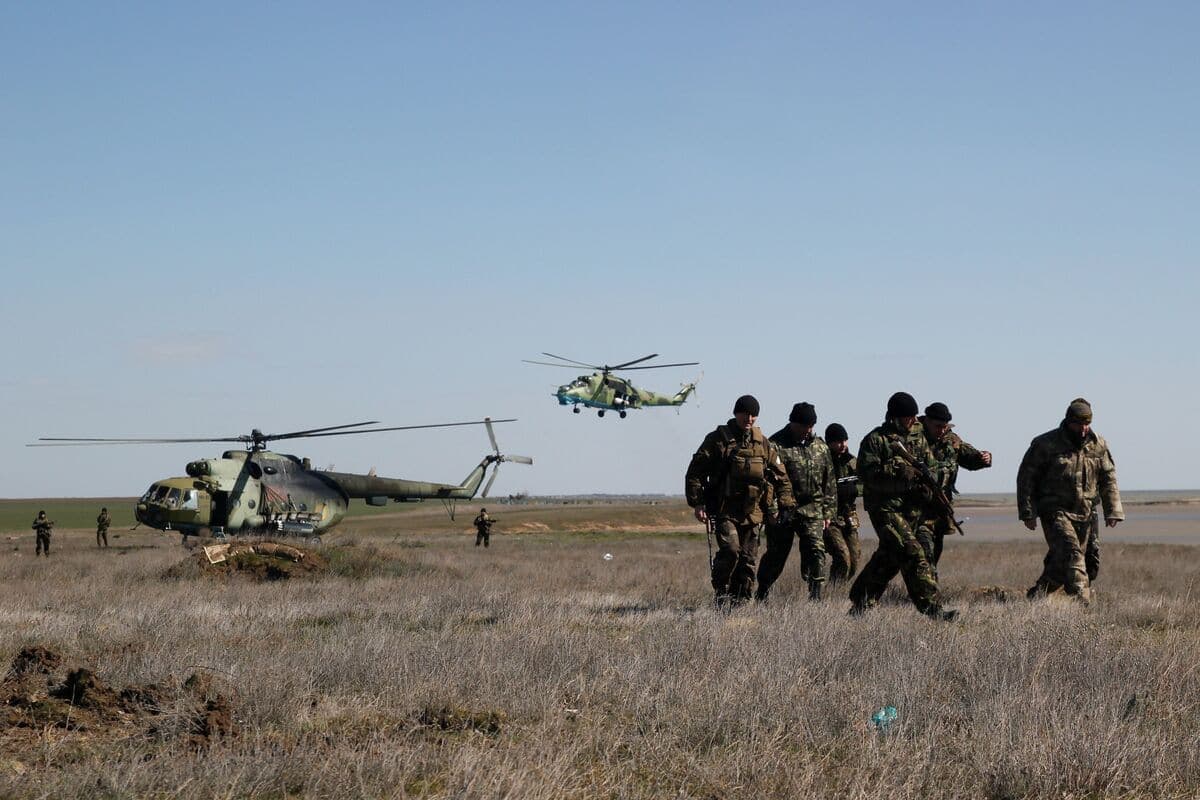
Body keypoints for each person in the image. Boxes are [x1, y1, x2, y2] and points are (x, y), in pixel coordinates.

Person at [849, 392, 956, 620]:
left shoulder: (918, 436)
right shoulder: (875, 440)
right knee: (911, 551)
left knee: (889, 558)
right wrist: (898, 472)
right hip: (885, 509)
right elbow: (866, 475)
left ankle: (861, 600)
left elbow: (929, 465)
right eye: (908, 416)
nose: (913, 420)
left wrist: (929, 485)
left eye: (914, 416)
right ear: (895, 417)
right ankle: (933, 609)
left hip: (912, 509)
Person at [685, 395, 796, 608]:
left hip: (753, 511)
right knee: (731, 550)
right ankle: (721, 592)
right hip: (725, 509)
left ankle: (740, 603)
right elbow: (695, 472)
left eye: (753, 415)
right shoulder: (718, 440)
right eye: (745, 414)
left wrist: (785, 504)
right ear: (736, 413)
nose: (749, 419)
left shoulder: (763, 443)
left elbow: (781, 477)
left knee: (748, 559)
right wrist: (698, 503)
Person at [1018, 398, 1123, 604]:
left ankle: (1036, 597)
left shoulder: (1098, 444)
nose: (1083, 429)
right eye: (1078, 424)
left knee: (1085, 564)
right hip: (1055, 512)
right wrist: (1027, 512)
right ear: (1068, 421)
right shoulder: (1045, 444)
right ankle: (1083, 608)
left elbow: (1108, 478)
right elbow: (1026, 479)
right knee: (1072, 557)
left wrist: (1113, 510)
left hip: (1086, 512)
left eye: (1087, 424)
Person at [755, 402, 835, 602]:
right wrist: (772, 509)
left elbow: (829, 482)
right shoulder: (775, 445)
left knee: (817, 551)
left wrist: (828, 512)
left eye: (811, 426)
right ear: (793, 423)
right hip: (784, 510)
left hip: (812, 509)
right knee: (776, 555)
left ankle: (815, 597)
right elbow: (767, 482)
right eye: (804, 426)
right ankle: (762, 592)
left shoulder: (820, 447)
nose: (808, 430)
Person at [912, 403, 992, 578]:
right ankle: (929, 591)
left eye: (944, 427)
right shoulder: (912, 437)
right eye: (937, 426)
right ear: (927, 422)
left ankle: (925, 587)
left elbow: (969, 457)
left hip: (940, 509)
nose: (941, 431)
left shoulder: (951, 440)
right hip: (916, 510)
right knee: (924, 555)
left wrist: (983, 458)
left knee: (934, 553)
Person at [824, 423, 861, 585]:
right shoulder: (823, 462)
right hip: (830, 518)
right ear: (830, 443)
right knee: (842, 557)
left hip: (849, 517)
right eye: (838, 441)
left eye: (845, 440)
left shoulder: (852, 462)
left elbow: (866, 482)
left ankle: (838, 589)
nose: (843, 444)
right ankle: (832, 591)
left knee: (854, 560)